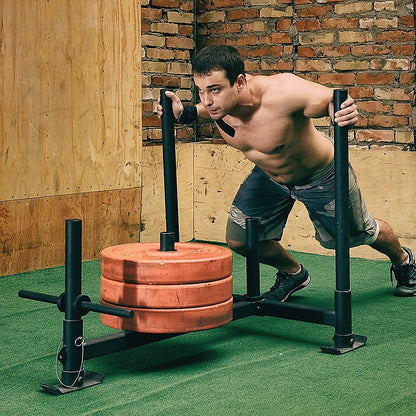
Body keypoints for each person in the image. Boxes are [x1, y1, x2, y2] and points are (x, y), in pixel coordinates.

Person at [157, 45, 416, 301]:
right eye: (201, 91)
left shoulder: (281, 92)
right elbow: (206, 108)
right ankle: (293, 273)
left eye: (215, 89)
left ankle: (403, 260)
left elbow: (328, 98)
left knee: (357, 234)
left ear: (239, 82)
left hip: (321, 176)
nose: (207, 100)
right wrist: (185, 113)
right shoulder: (218, 105)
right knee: (241, 239)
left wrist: (342, 108)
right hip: (270, 177)